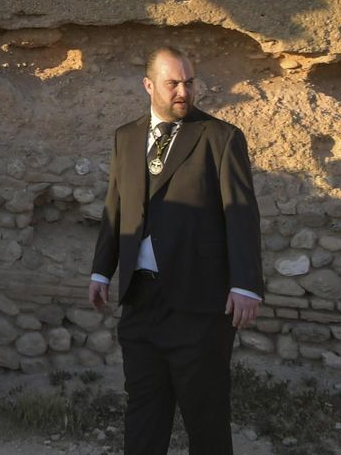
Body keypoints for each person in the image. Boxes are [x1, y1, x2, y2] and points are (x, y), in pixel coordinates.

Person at [89, 46, 263, 455]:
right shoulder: (126, 137)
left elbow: (241, 214)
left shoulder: (220, 137)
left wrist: (246, 284)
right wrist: (101, 270)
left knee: (206, 418)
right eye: (173, 83)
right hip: (141, 302)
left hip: (199, 305)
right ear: (148, 85)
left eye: (189, 82)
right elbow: (116, 207)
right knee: (144, 413)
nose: (183, 91)